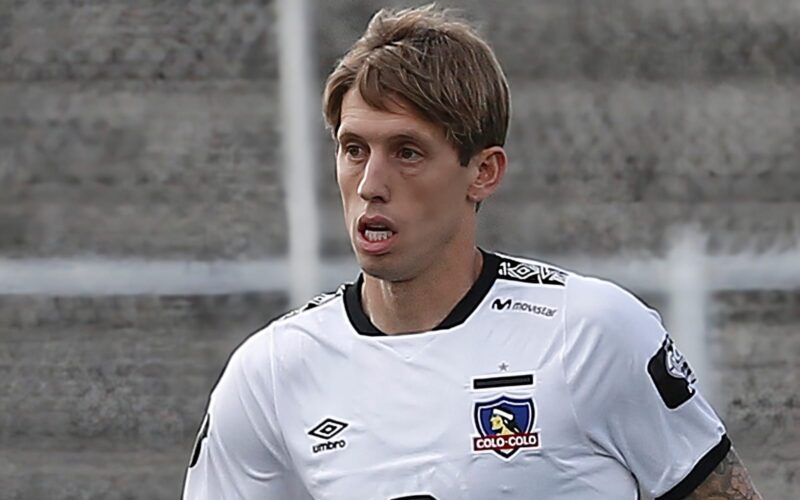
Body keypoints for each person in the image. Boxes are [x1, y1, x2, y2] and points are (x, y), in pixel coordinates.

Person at [183, 5, 763, 499]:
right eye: (353, 149)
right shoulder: (274, 372)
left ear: (482, 172)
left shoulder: (588, 333)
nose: (370, 183)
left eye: (407, 152)